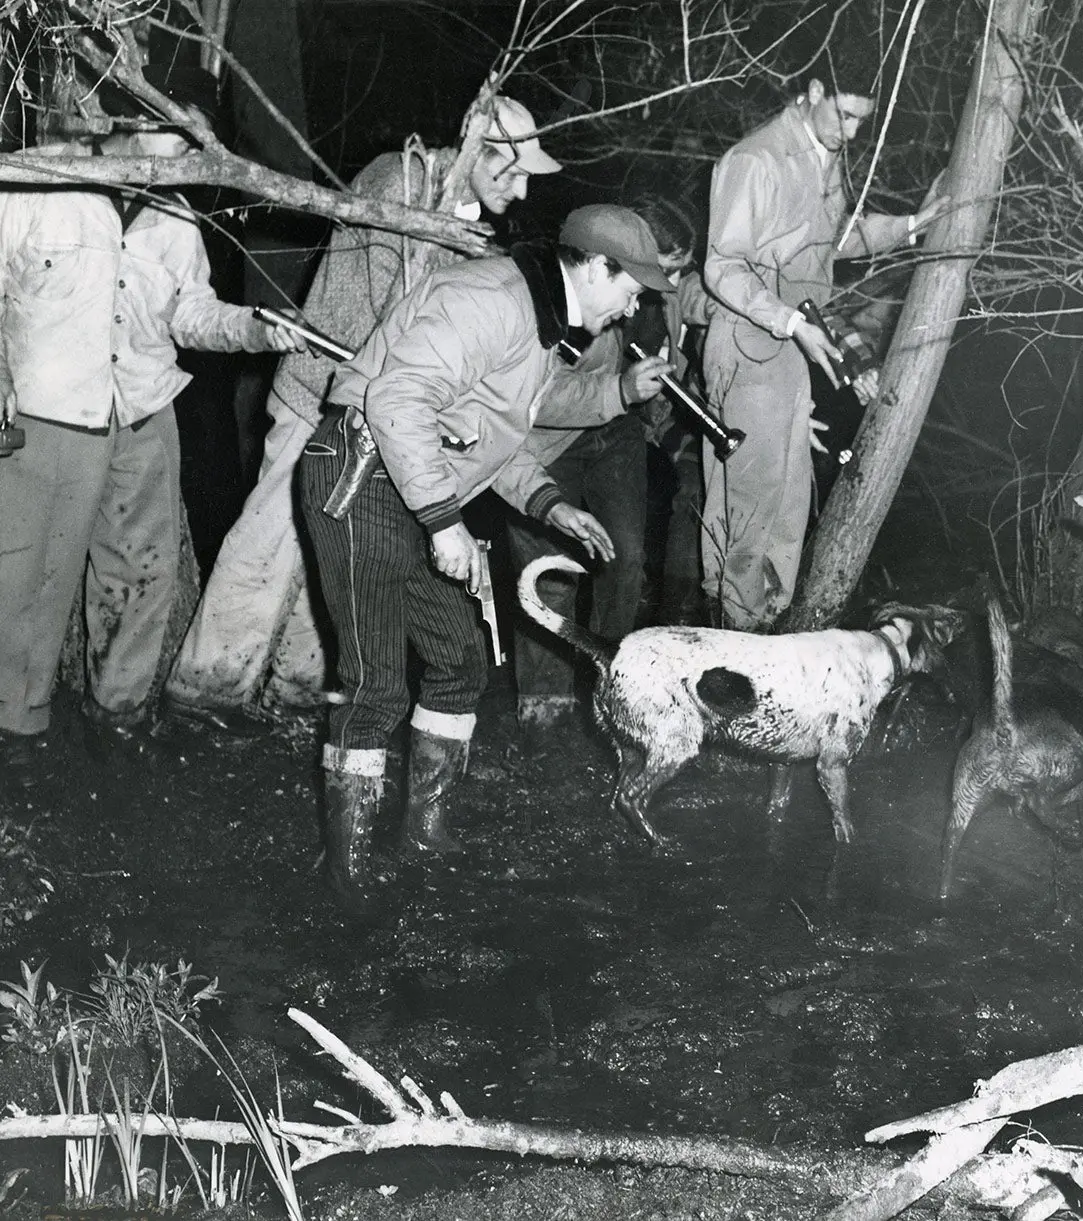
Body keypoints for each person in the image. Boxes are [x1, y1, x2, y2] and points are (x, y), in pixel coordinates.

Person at [298, 203, 673, 912]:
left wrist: (548, 503)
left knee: (460, 660)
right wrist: (444, 524)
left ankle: (426, 832)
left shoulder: (540, 329)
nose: (632, 309)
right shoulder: (492, 301)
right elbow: (397, 398)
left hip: (412, 484)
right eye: (632, 290)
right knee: (376, 680)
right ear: (597, 267)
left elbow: (493, 437)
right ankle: (348, 871)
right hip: (361, 472)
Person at [162, 92, 561, 736]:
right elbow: (391, 319)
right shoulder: (397, 180)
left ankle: (293, 692)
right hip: (322, 395)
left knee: (329, 548)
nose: (518, 192)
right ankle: (201, 693)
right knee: (270, 538)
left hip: (378, 414)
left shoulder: (464, 216)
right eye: (510, 172)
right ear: (474, 150)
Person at [0, 60, 305, 771]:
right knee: (28, 579)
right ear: (140, 122)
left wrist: (257, 330)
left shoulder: (172, 213)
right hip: (49, 414)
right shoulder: (36, 181)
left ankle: (119, 711)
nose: (195, 162)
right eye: (187, 142)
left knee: (142, 571)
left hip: (141, 409)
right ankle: (17, 726)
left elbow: (187, 309)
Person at [700, 76, 946, 629]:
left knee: (789, 502)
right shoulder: (756, 159)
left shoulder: (822, 154)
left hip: (795, 344)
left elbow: (833, 240)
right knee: (749, 503)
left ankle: (773, 625)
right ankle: (733, 638)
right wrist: (787, 320)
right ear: (813, 90)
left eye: (862, 120)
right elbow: (722, 266)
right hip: (749, 341)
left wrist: (908, 226)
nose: (851, 132)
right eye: (844, 115)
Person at [506, 192, 708, 738]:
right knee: (549, 572)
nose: (653, 296)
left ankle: (614, 694)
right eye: (658, 273)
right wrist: (619, 388)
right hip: (546, 447)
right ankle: (544, 713)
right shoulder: (553, 301)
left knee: (626, 559)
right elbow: (527, 401)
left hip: (616, 432)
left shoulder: (648, 300)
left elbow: (667, 345)